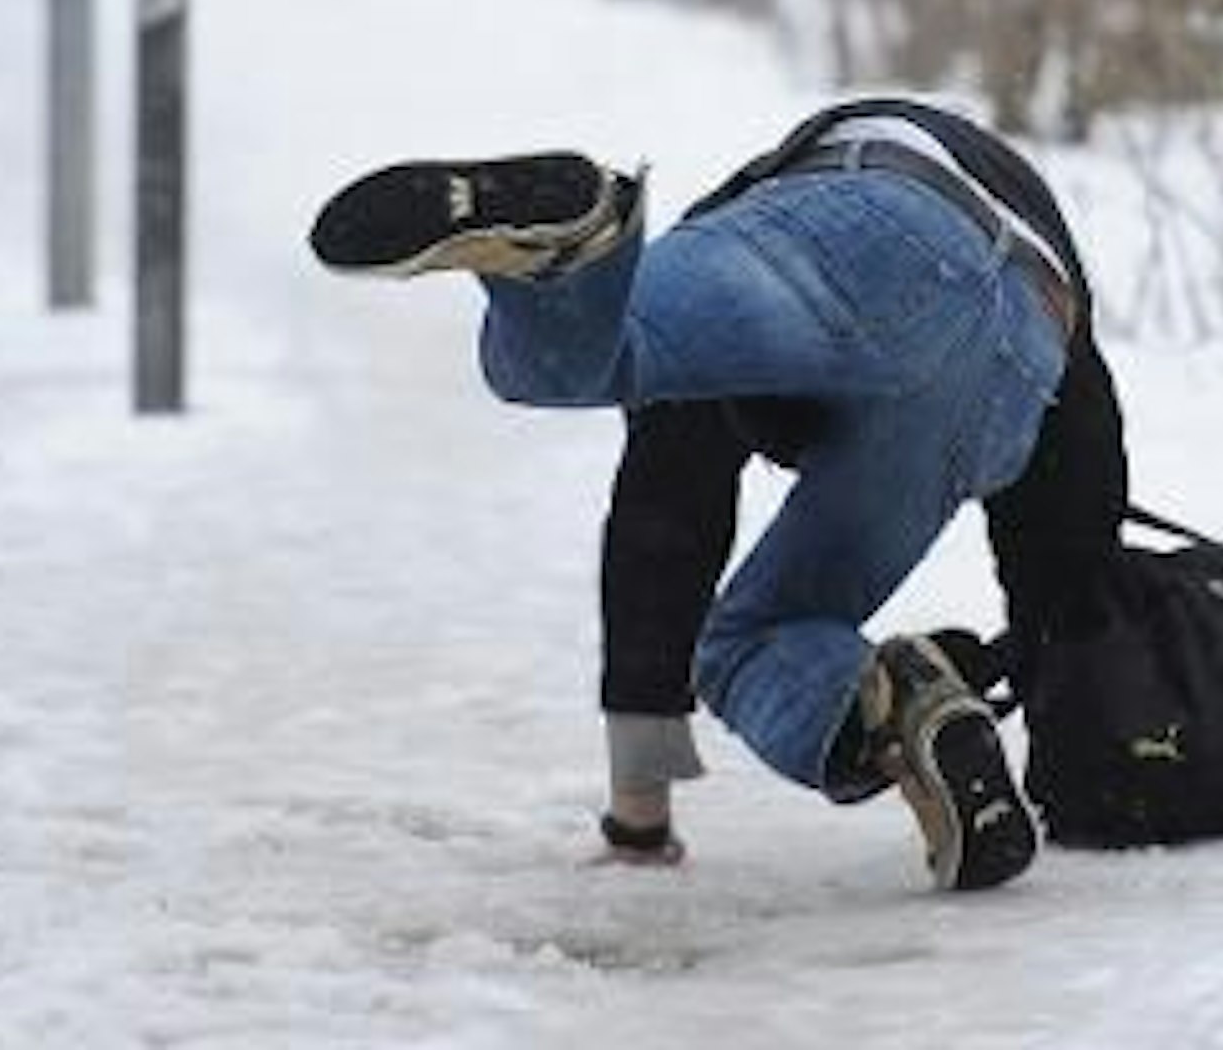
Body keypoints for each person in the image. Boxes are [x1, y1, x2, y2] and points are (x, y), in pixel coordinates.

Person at [309, 97, 1129, 891]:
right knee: (757, 632)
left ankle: (565, 262)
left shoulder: (750, 230)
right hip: (1029, 332)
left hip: (865, 214)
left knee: (582, 354)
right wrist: (1079, 748)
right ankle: (908, 706)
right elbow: (1071, 531)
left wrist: (639, 815)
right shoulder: (1028, 276)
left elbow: (665, 517)